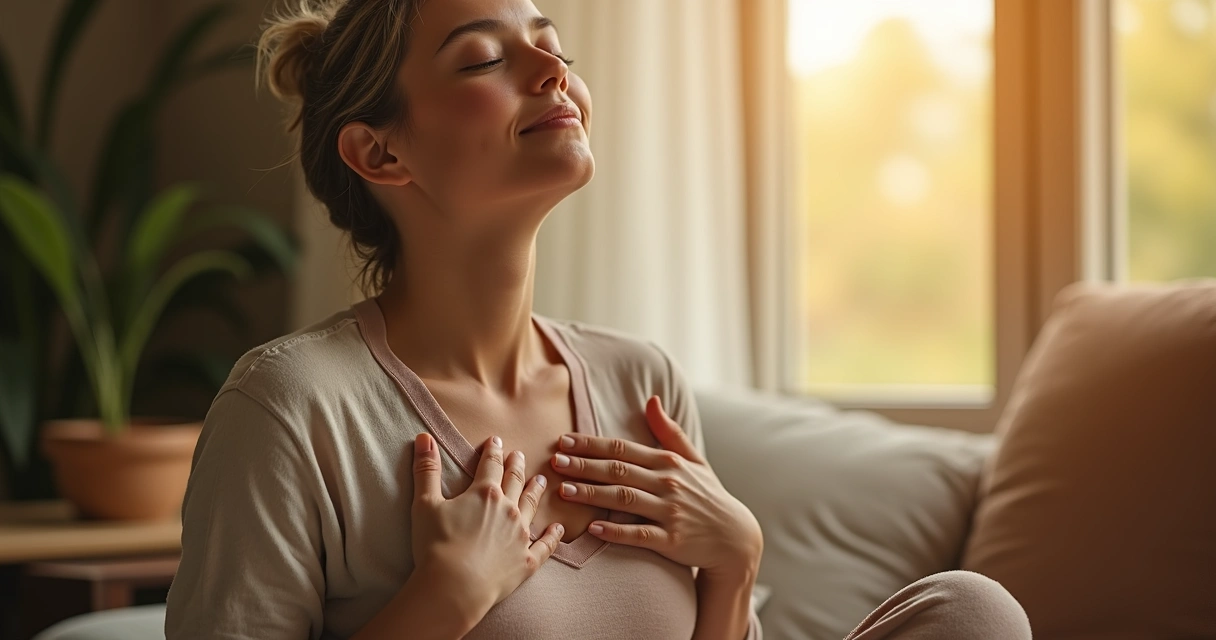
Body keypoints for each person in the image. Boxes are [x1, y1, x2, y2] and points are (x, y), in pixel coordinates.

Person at [164, 1, 1032, 638]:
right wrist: (444, 600)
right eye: (482, 61)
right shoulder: (289, 407)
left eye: (554, 49)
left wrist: (734, 569)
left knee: (970, 613)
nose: (553, 73)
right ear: (380, 151)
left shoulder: (640, 380)